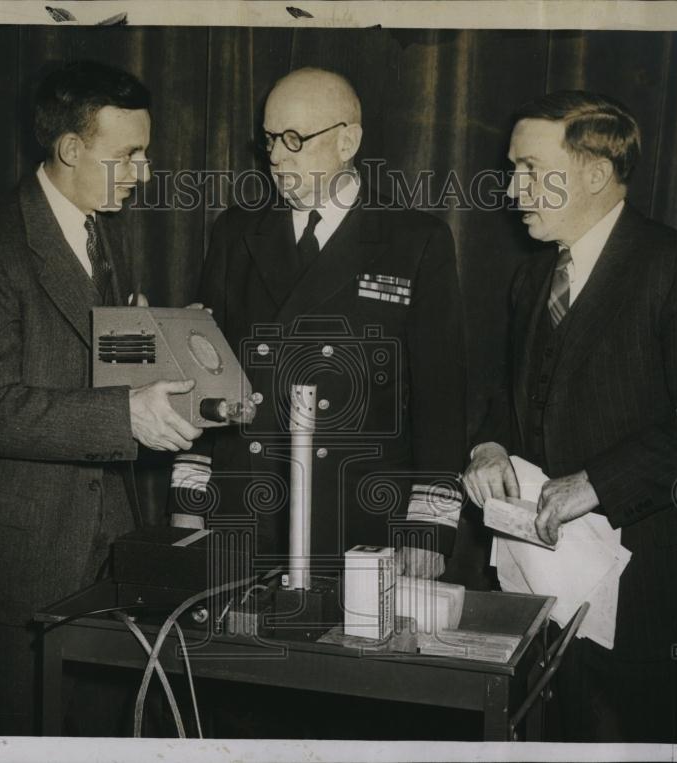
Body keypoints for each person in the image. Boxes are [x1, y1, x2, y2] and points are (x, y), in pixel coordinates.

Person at [463, 91, 677, 741]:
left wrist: (595, 483)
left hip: (647, 607)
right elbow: (507, 401)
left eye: (532, 169)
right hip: (541, 591)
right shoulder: (531, 280)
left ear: (594, 173)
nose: (513, 189)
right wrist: (488, 448)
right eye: (513, 169)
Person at [0, 61, 200, 735]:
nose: (143, 172)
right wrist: (124, 414)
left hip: (99, 545)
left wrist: (159, 341)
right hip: (21, 565)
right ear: (69, 150)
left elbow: (78, 361)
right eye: (129, 156)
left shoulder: (95, 228)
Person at [170, 66, 467, 582]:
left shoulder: (415, 240)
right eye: (269, 140)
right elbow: (202, 372)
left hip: (358, 512)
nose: (276, 157)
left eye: (293, 139)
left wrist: (431, 523)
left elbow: (441, 392)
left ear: (348, 140)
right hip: (244, 507)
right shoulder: (237, 231)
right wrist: (188, 498)